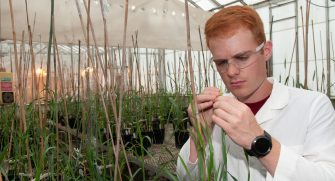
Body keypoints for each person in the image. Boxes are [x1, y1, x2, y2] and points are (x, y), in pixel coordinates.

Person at [177, 5, 335, 181]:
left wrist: (259, 141)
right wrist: (201, 135)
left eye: (242, 57)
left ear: (266, 51)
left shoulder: (313, 106)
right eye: (221, 62)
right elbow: (186, 177)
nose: (231, 72)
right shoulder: (216, 111)